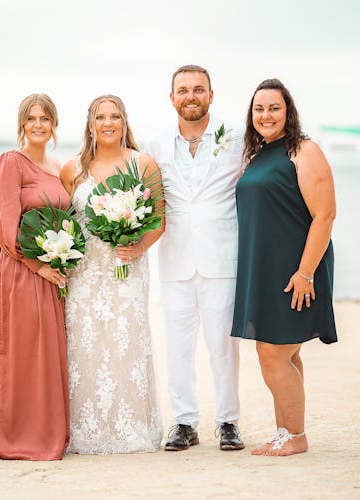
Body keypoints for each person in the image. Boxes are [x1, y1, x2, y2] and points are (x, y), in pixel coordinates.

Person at [230, 78, 338, 456]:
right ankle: (285, 433)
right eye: (259, 109)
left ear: (288, 111)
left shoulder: (303, 151)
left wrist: (305, 272)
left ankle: (296, 436)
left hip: (297, 270)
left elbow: (325, 215)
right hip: (265, 268)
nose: (266, 115)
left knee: (272, 354)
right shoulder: (258, 155)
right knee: (286, 354)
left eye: (274, 108)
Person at [146, 65, 244, 451]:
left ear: (211, 95)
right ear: (171, 98)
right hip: (174, 259)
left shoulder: (235, 137)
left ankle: (228, 421)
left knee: (223, 344)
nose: (191, 96)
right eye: (183, 90)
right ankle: (185, 422)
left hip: (222, 257)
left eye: (198, 89)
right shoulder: (155, 143)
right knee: (178, 345)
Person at [60, 94, 164, 454]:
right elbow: (66, 224)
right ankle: (84, 429)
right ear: (90, 124)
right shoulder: (72, 169)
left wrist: (136, 247)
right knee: (84, 347)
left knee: (126, 343)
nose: (108, 123)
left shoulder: (142, 163)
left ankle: (130, 427)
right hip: (85, 274)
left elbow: (159, 221)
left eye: (115, 116)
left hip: (127, 268)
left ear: (124, 122)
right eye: (100, 117)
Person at [0, 94, 70, 460]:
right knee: (16, 350)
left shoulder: (59, 168)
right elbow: (5, 224)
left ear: (54, 124)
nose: (39, 124)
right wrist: (38, 264)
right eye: (32, 119)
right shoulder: (11, 163)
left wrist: (62, 261)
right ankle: (7, 436)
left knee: (43, 354)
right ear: (22, 125)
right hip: (19, 271)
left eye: (46, 118)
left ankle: (44, 431)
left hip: (51, 275)